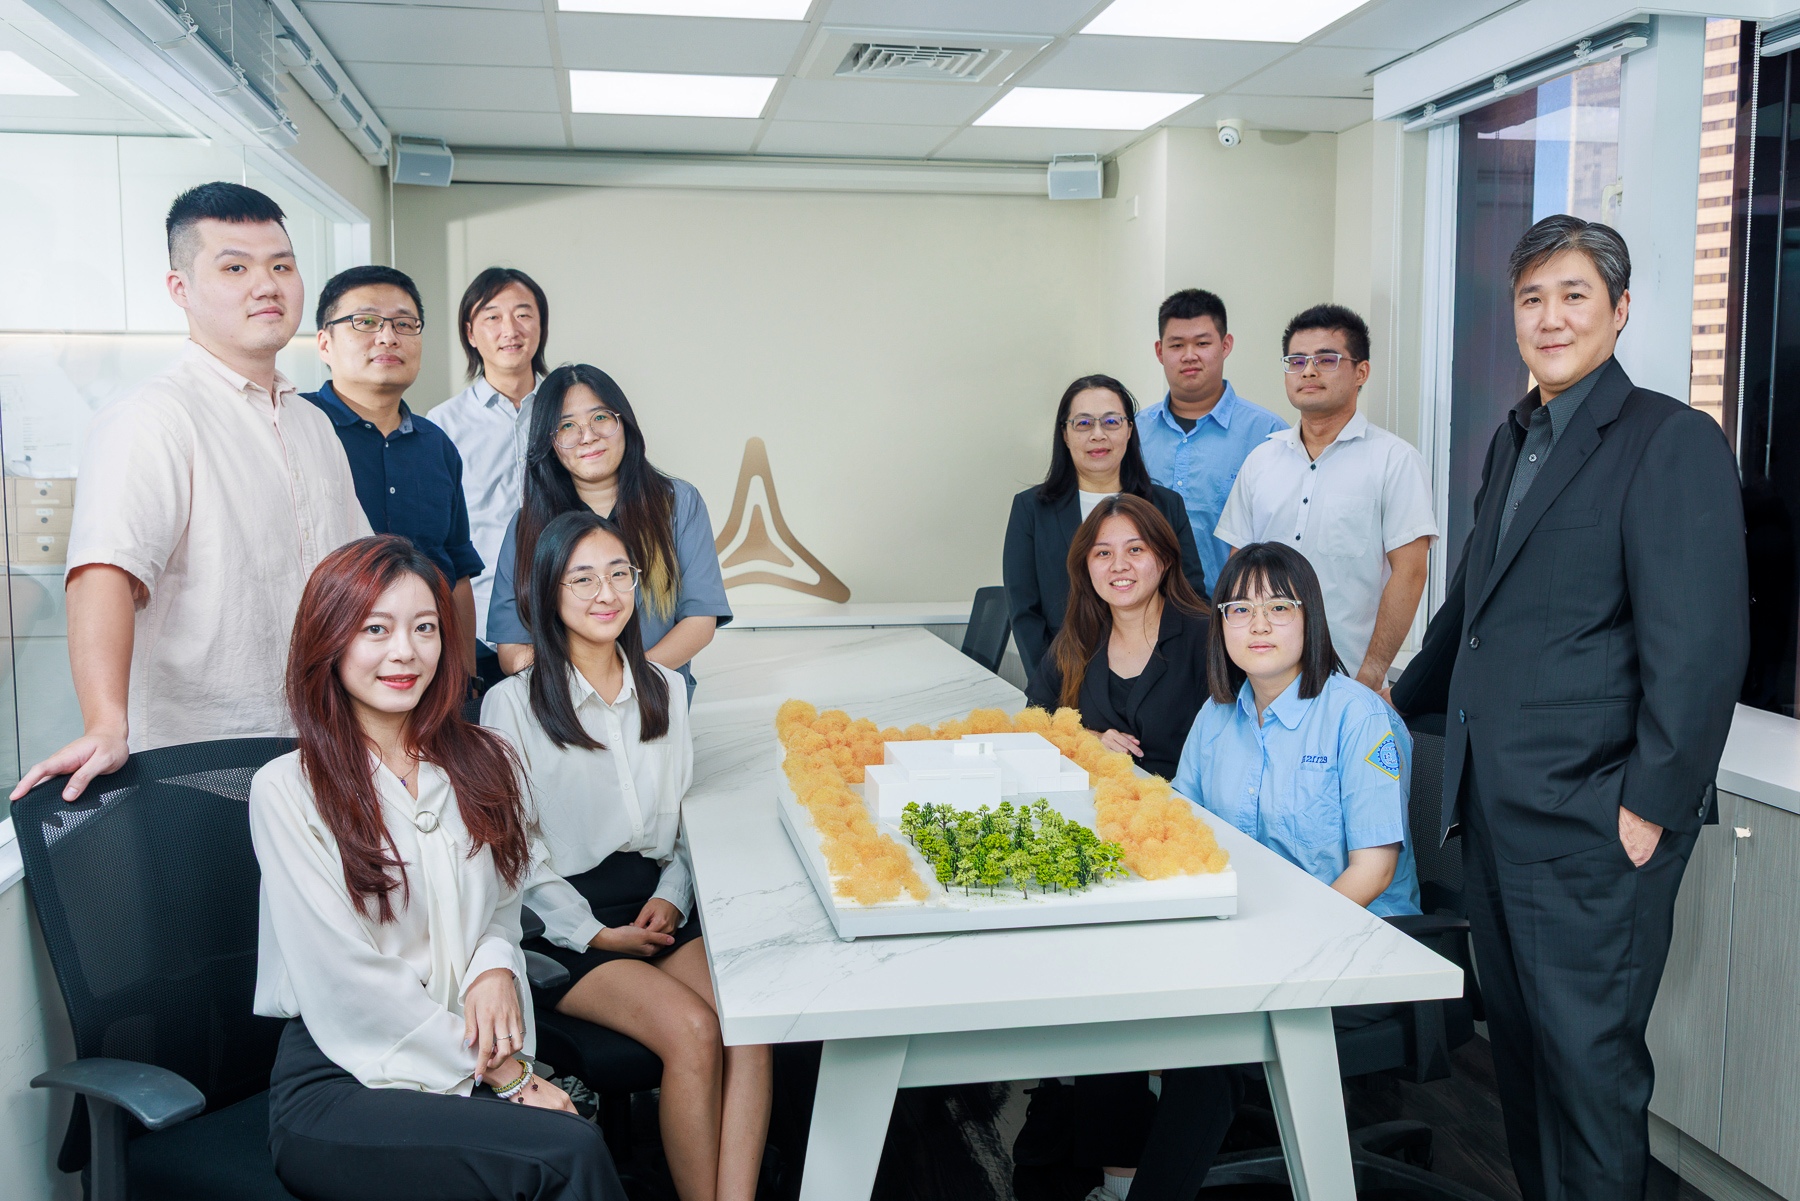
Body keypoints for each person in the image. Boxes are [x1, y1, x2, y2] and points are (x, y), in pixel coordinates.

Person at [1392, 215, 1749, 1201]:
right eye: (1532, 298)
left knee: (1590, 1081)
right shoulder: (1517, 438)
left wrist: (1648, 809)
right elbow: (1473, 612)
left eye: (1574, 295)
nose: (1550, 318)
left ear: (1621, 309)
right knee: (1524, 1070)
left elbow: (1700, 646)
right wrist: (1387, 701)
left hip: (1596, 824)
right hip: (1499, 817)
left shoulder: (1669, 441)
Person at [251, 534, 622, 1201]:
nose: (405, 651)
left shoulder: (485, 759)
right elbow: (345, 980)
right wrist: (508, 1075)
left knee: (562, 1142)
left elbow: (500, 908)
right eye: (376, 629)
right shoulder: (289, 787)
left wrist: (493, 966)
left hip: (464, 1051)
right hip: (344, 1073)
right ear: (328, 640)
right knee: (565, 1152)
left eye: (424, 628)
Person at [1067, 543, 1418, 1201]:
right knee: (1110, 981)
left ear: (1310, 619)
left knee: (1215, 1037)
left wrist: (1274, 945)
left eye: (1279, 608)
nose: (1258, 624)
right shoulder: (1218, 715)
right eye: (1240, 609)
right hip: (1247, 936)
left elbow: (1373, 871)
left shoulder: (1356, 715)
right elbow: (1183, 829)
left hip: (1353, 945)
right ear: (1221, 623)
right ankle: (1117, 1172)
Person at [12, 182, 370, 803]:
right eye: (235, 268)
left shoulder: (313, 424)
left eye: (281, 266)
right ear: (180, 288)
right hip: (200, 762)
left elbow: (356, 575)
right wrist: (105, 722)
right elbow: (103, 572)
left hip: (319, 747)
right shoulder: (151, 417)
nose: (267, 286)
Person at [482, 510, 772, 1201]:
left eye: (620, 573)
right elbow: (514, 853)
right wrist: (593, 932)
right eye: (582, 578)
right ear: (548, 592)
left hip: (656, 900)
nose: (606, 592)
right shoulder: (511, 704)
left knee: (752, 1024)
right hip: (564, 923)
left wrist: (673, 892)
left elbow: (684, 819)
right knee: (694, 1029)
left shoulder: (665, 688)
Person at [1216, 304, 1436, 688]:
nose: (1308, 371)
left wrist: (1371, 674)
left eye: (1326, 359)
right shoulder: (1261, 460)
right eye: (1296, 360)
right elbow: (1238, 570)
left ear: (1361, 372)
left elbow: (1411, 573)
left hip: (1348, 678)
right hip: (1262, 677)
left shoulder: (1394, 460)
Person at [486, 364, 731, 695]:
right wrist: (581, 689)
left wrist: (628, 683)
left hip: (654, 697)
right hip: (564, 707)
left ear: (624, 422)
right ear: (549, 442)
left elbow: (700, 622)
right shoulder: (526, 525)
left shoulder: (678, 503)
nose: (588, 436)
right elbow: (512, 650)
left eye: (600, 417)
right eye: (567, 426)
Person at [305, 264, 483, 673]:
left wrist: (466, 678)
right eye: (366, 322)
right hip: (324, 667)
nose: (388, 336)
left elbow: (457, 572)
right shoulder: (297, 426)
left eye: (404, 324)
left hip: (424, 669)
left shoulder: (436, 445)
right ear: (325, 344)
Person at [1005, 374, 1207, 686]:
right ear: (1065, 434)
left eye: (1111, 422)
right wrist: (1055, 689)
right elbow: (1025, 612)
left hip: (1157, 679)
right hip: (1066, 679)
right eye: (1083, 423)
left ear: (1129, 430)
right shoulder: (1031, 509)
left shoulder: (1166, 506)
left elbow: (1189, 598)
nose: (1098, 435)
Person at [1023, 494, 1209, 780]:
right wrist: (1088, 739)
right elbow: (1034, 723)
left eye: (1135, 550)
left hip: (1181, 803)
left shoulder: (1206, 637)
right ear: (1086, 565)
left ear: (1165, 559)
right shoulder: (1078, 636)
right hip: (1096, 799)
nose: (1119, 565)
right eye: (1103, 553)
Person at [432, 267, 549, 680]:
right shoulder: (443, 425)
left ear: (541, 325)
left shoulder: (571, 411)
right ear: (470, 332)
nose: (510, 330)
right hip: (479, 627)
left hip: (569, 614)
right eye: (493, 317)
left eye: (523, 314)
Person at [1135, 289, 1288, 591]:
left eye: (1202, 343)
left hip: (1234, 606)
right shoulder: (1133, 432)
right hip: (1145, 605)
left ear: (1225, 345)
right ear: (1159, 351)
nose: (1189, 355)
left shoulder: (1268, 434)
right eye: (1177, 345)